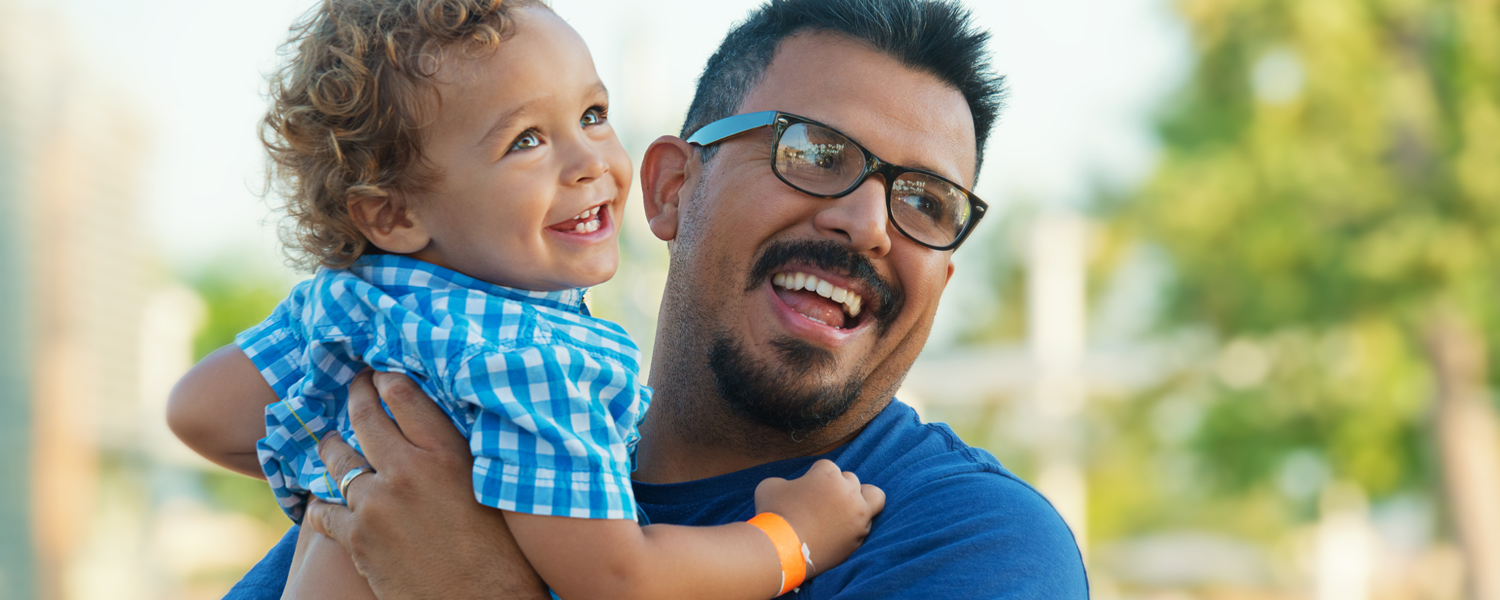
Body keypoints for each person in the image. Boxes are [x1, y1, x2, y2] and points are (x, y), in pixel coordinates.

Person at [214, 0, 1092, 597]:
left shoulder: (974, 542)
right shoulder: (434, 457)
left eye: (926, 204)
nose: (869, 226)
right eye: (818, 154)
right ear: (670, 188)